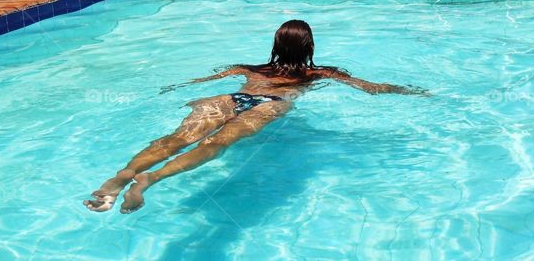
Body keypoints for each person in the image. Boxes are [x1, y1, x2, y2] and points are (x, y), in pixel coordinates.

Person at [84, 19, 425, 214]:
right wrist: (409, 90)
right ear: (309, 48)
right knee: (216, 143)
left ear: (275, 45)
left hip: (232, 97)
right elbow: (371, 87)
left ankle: (122, 175)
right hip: (269, 102)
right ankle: (151, 180)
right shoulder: (319, 73)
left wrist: (178, 89)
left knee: (174, 139)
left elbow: (205, 80)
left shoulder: (247, 67)